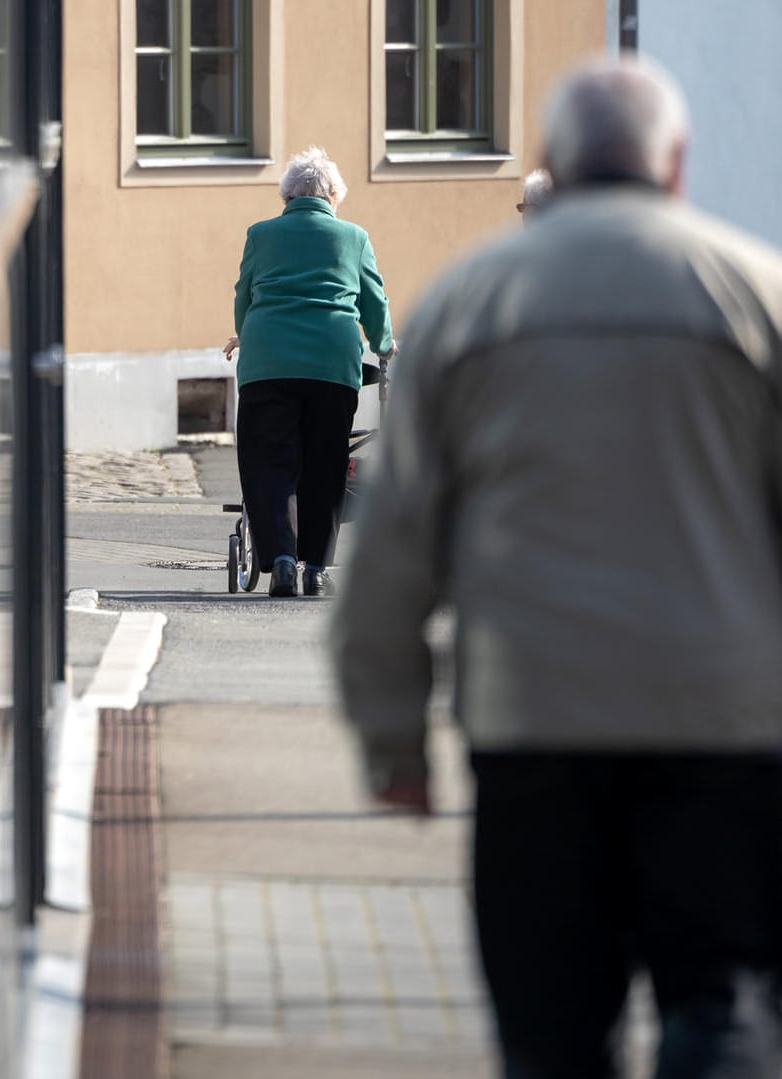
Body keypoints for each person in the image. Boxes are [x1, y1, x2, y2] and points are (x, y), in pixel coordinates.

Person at [331, 57, 782, 1077]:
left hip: (533, 719)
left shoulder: (466, 305)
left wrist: (390, 736)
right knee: (723, 1004)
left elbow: (393, 541)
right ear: (676, 164)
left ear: (548, 164)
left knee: (550, 1033)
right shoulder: (756, 294)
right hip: (726, 725)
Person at [223, 146, 395, 598]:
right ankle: (316, 568)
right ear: (334, 195)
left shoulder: (260, 234)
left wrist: (246, 332)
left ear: (287, 196)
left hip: (267, 363)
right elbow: (374, 303)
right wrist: (384, 345)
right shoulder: (353, 237)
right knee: (326, 462)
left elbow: (244, 297)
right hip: (331, 362)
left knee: (269, 461)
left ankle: (281, 560)